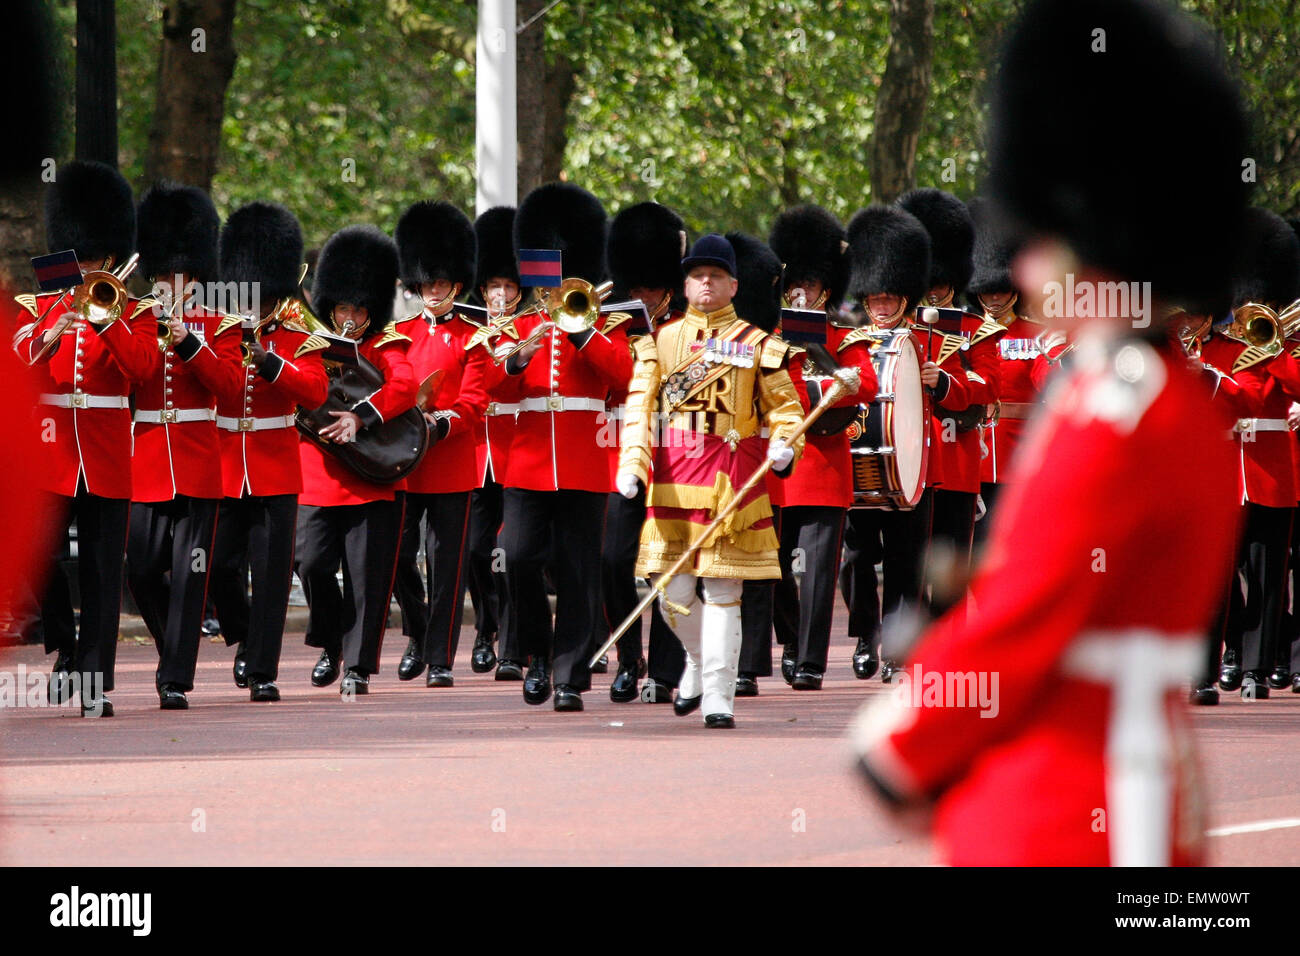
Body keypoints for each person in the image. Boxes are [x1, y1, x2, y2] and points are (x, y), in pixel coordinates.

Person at [850, 0, 1249, 865]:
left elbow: (1028, 616)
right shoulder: (1160, 404)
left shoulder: (1119, 413)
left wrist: (898, 742)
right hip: (1134, 783)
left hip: (1069, 801)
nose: (1024, 272)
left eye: (1041, 242)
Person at [617, 233, 805, 727]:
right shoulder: (658, 341)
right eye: (698, 275)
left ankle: (720, 693)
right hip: (673, 477)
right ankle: (698, 662)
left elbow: (787, 409)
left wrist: (787, 445)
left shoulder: (759, 343)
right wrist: (631, 463)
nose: (706, 283)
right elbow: (639, 409)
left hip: (730, 478)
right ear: (684, 284)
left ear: (733, 285)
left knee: (723, 593)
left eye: (716, 276)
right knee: (672, 593)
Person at [14, 161, 157, 717]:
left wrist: (106, 321)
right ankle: (67, 649)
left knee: (101, 574)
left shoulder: (136, 312)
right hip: (52, 455)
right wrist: (51, 334)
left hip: (104, 454)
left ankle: (95, 681)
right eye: (83, 256)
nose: (89, 267)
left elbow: (143, 368)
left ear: (110, 257)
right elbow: (20, 359)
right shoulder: (42, 302)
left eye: (98, 259)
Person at [498, 182, 632, 712]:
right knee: (517, 557)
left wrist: (582, 333)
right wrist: (514, 359)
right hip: (528, 463)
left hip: (582, 462)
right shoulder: (520, 325)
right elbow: (489, 387)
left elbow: (622, 377)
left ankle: (571, 676)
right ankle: (536, 656)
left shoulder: (603, 321)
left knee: (581, 572)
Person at [207, 202, 328, 702]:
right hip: (225, 464)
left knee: (273, 575)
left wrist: (271, 361)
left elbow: (316, 393)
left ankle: (262, 670)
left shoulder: (298, 333)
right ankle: (244, 635)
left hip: (276, 466)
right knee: (214, 565)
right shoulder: (217, 330)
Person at [126, 182, 239, 709]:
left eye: (180, 275)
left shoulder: (219, 322)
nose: (172, 283)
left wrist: (191, 342)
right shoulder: (136, 318)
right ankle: (176, 639)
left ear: (195, 275)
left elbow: (232, 387)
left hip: (196, 459)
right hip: (148, 456)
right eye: (165, 275)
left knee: (192, 571)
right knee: (143, 569)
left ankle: (174, 676)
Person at [297, 225, 418, 696]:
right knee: (310, 564)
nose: (350, 317)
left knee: (368, 580)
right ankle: (331, 641)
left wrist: (361, 417)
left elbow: (404, 387)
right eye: (343, 307)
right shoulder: (312, 344)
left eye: (359, 308)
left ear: (372, 310)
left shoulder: (386, 344)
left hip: (372, 478)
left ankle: (358, 667)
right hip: (319, 475)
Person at [766, 205, 878, 688]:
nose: (799, 292)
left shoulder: (842, 337)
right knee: (770, 566)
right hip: (775, 465)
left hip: (824, 464)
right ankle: (790, 640)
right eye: (793, 284)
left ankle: (811, 660)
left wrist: (822, 371)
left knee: (817, 574)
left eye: (808, 286)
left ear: (824, 290)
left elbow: (866, 386)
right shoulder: (767, 335)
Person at [1200, 208, 1300, 700]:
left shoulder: (1285, 346)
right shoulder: (1215, 347)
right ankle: (1232, 653)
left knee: (1267, 574)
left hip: (1271, 466)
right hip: (1223, 469)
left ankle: (1258, 670)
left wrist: (1278, 353)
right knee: (1220, 574)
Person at [836, 205, 936, 683]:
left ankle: (898, 646)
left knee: (904, 558)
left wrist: (941, 384)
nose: (879, 304)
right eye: (873, 296)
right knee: (856, 556)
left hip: (914, 465)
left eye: (888, 296)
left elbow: (974, 391)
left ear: (905, 296)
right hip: (859, 461)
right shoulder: (849, 342)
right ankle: (863, 636)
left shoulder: (933, 341)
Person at [392, 200, 489, 688]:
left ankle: (441, 657)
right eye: (427, 282)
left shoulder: (473, 339)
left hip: (450, 460)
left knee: (447, 567)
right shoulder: (400, 335)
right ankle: (417, 633)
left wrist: (441, 421)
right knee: (397, 557)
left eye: (442, 283)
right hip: (405, 464)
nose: (434, 290)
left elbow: (474, 402)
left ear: (456, 285)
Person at [897, 188, 1002, 622]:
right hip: (907, 457)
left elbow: (987, 384)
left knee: (950, 557)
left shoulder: (977, 330)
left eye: (942, 282)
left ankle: (946, 639)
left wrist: (945, 383)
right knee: (905, 557)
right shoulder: (897, 326)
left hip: (955, 456)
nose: (936, 290)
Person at [601, 201, 689, 703]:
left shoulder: (687, 325)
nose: (641, 297)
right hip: (624, 456)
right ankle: (628, 656)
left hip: (677, 455)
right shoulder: (612, 326)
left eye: (650, 288)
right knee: (613, 559)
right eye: (634, 288)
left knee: (669, 566)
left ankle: (665, 669)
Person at [465, 206, 526, 680]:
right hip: (473, 456)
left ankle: (511, 641)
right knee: (473, 551)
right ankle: (484, 631)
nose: (501, 295)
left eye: (508, 287)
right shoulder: (469, 332)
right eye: (494, 287)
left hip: (515, 452)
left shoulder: (528, 332)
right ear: (482, 290)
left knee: (510, 554)